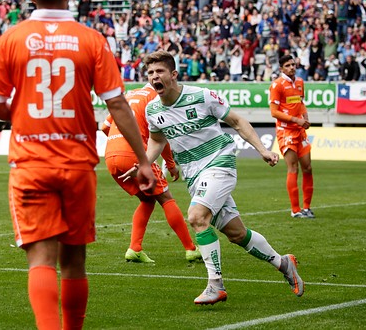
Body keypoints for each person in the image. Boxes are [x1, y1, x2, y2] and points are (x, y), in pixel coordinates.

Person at [0, 0, 156, 330]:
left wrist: (28, 115)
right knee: (74, 261)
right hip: (77, 164)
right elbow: (117, 104)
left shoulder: (12, 38)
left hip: (31, 163)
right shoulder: (91, 39)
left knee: (41, 260)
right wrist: (143, 159)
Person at [121, 50, 304, 306]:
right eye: (150, 73)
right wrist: (143, 163)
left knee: (197, 217)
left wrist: (262, 150)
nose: (154, 77)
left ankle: (215, 285)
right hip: (194, 174)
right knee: (237, 234)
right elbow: (156, 141)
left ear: (173, 75)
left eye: (159, 71)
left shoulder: (201, 96)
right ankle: (284, 263)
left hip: (220, 162)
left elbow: (237, 121)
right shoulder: (152, 110)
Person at [101, 84, 201, 264]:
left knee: (147, 200)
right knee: (166, 198)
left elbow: (104, 127)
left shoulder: (129, 95)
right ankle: (191, 249)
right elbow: (160, 137)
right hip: (133, 154)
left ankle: (135, 249)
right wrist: (171, 165)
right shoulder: (155, 100)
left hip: (110, 155)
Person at [269, 55, 315, 219]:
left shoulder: (300, 83)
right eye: (288, 65)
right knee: (293, 167)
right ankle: (295, 210)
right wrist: (295, 119)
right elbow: (274, 112)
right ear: (281, 68)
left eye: (293, 64)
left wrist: (305, 117)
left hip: (300, 131)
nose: (292, 67)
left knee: (308, 168)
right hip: (286, 131)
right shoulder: (277, 85)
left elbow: (301, 103)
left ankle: (307, 207)